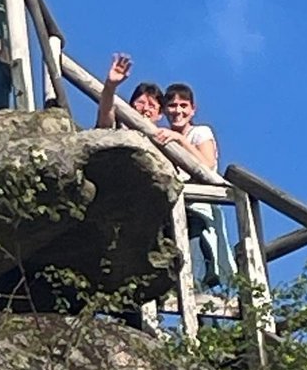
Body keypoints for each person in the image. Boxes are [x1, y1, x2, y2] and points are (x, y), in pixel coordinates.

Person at [154, 83, 237, 288]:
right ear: (165, 109)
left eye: (183, 105)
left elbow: (207, 166)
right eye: (172, 105)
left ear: (193, 109)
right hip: (171, 210)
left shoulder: (200, 132)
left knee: (194, 266)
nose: (178, 111)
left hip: (198, 212)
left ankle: (199, 300)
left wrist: (180, 140)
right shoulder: (163, 137)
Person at [96, 53, 164, 127]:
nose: (145, 108)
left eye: (152, 106)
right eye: (141, 103)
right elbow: (105, 113)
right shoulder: (119, 129)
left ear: (160, 114)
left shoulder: (165, 133)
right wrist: (110, 86)